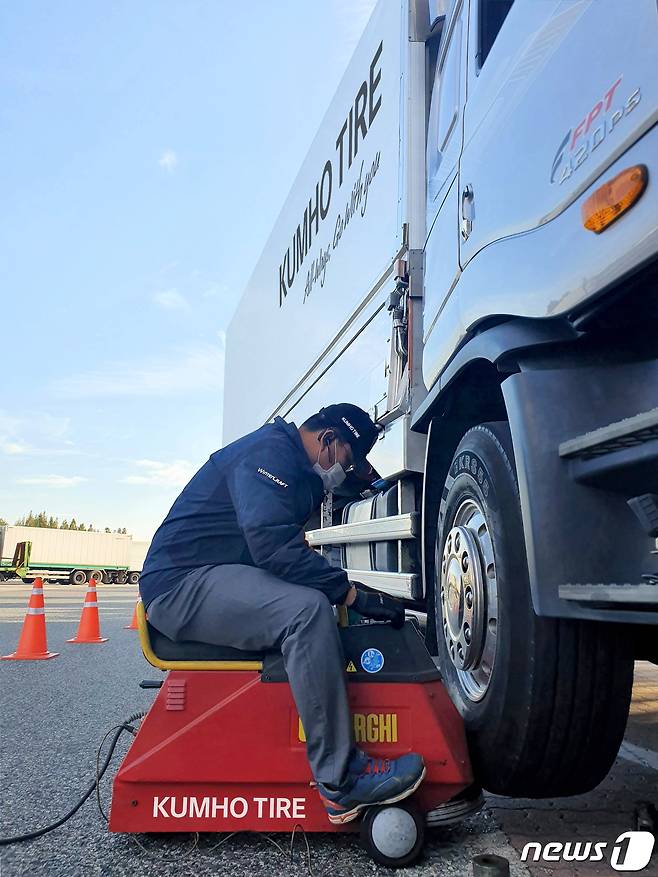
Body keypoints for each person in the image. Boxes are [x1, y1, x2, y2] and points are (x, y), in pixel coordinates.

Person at [139, 403, 425, 823]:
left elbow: (286, 545)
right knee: (305, 611)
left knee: (312, 598)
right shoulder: (268, 455)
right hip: (180, 585)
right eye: (346, 460)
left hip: (212, 573)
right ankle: (341, 782)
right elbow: (271, 545)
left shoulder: (292, 462)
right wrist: (349, 594)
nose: (343, 472)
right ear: (327, 440)